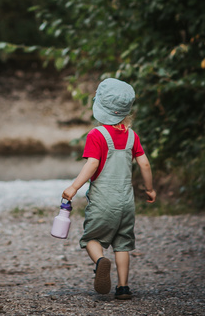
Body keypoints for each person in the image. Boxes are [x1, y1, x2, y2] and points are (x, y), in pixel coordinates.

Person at [62, 77, 155, 300]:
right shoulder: (133, 137)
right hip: (126, 202)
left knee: (91, 239)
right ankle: (123, 287)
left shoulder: (96, 135)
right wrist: (149, 190)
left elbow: (92, 164)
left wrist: (74, 187)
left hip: (103, 201)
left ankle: (101, 261)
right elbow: (144, 163)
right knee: (122, 244)